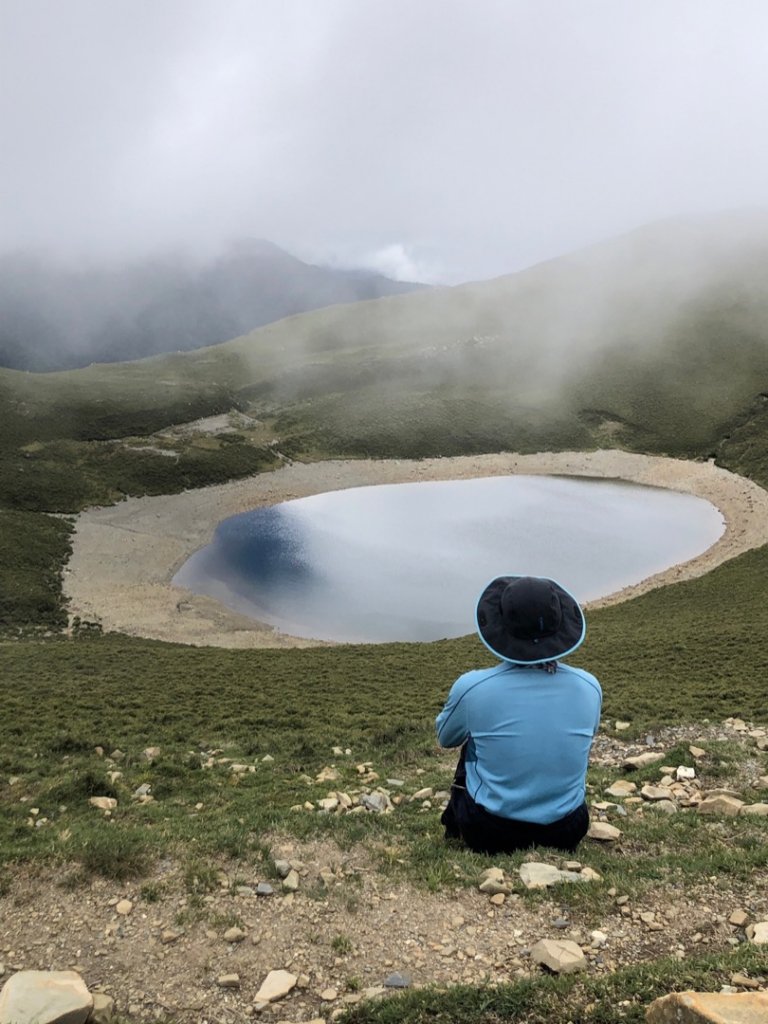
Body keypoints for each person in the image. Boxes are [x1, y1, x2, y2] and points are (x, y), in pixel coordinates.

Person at [436, 574, 601, 855]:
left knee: (470, 743)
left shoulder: (473, 687)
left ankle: (454, 827)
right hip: (567, 830)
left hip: (489, 831)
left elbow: (446, 738)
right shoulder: (589, 686)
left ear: (501, 626)